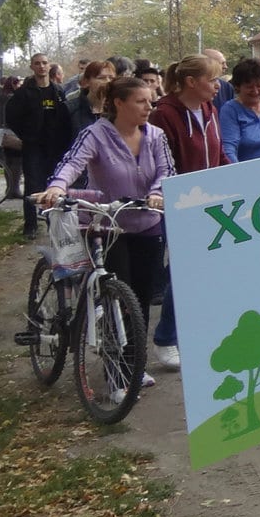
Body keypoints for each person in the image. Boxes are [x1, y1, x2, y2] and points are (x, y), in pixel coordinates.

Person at [39, 76, 174, 391]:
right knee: (118, 296)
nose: (149, 106)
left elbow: (167, 170)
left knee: (139, 300)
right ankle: (117, 371)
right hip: (107, 225)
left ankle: (133, 364)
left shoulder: (155, 135)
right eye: (141, 101)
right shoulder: (96, 134)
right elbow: (73, 163)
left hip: (147, 223)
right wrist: (57, 186)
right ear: (119, 103)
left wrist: (157, 192)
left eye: (151, 99)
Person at [149, 55, 229, 371]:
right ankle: (165, 338)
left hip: (209, 204)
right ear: (192, 82)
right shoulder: (164, 116)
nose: (218, 85)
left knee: (206, 273)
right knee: (182, 273)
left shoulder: (210, 109)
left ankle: (196, 334)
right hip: (178, 205)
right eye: (212, 80)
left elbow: (219, 152)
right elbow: (162, 164)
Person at [7, 54, 75, 238]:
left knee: (55, 185)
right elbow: (11, 117)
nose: (41, 67)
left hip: (56, 146)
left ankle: (55, 222)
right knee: (33, 186)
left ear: (49, 66)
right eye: (37, 64)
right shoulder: (23, 93)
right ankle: (30, 225)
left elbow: (66, 118)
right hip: (33, 147)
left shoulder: (58, 91)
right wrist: (26, 135)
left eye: (44, 63)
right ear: (32, 67)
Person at [218, 58, 260, 163]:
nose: (255, 91)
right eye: (249, 87)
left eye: (259, 86)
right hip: (246, 172)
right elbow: (228, 150)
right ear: (237, 87)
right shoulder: (230, 110)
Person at [68, 60, 114, 132]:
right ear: (87, 81)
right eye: (101, 78)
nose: (108, 81)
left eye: (111, 78)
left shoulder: (118, 110)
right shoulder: (70, 109)